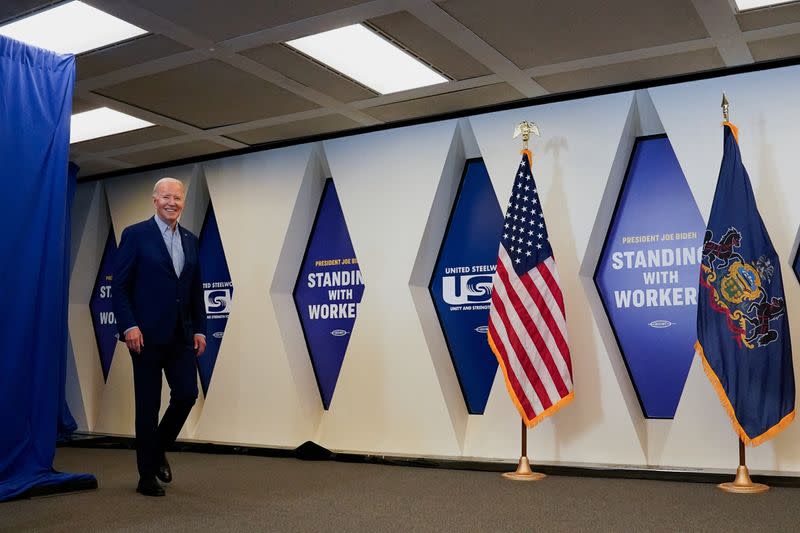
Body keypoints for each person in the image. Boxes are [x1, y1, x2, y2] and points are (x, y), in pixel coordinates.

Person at [113, 177, 206, 497]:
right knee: (148, 407)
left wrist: (200, 329)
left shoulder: (191, 240)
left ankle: (156, 451)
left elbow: (195, 290)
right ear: (154, 200)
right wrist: (129, 326)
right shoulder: (135, 235)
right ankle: (146, 477)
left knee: (186, 394)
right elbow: (119, 288)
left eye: (178, 198)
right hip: (145, 337)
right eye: (166, 196)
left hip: (181, 336)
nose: (172, 202)